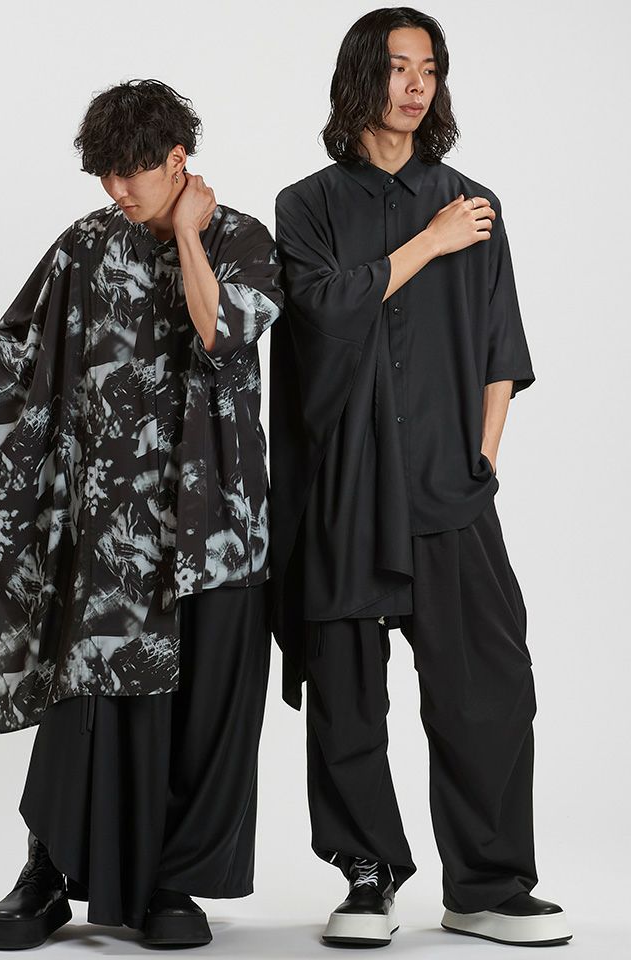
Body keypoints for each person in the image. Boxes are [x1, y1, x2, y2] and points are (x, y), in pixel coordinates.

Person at [0, 78, 282, 950]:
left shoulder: (243, 241)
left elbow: (219, 333)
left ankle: (172, 884)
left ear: (178, 159)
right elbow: (24, 349)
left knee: (205, 711)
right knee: (86, 701)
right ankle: (47, 871)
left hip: (218, 524)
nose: (118, 190)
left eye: (133, 172)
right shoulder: (85, 247)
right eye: (105, 175)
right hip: (113, 525)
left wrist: (189, 234)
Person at [269, 8, 571, 949]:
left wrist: (484, 456)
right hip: (345, 488)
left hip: (449, 484)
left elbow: (499, 343)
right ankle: (368, 879)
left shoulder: (474, 201)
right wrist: (429, 243)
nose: (415, 84)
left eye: (429, 69)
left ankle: (487, 885)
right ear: (360, 77)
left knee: (490, 684)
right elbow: (325, 315)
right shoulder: (307, 206)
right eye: (398, 66)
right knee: (348, 695)